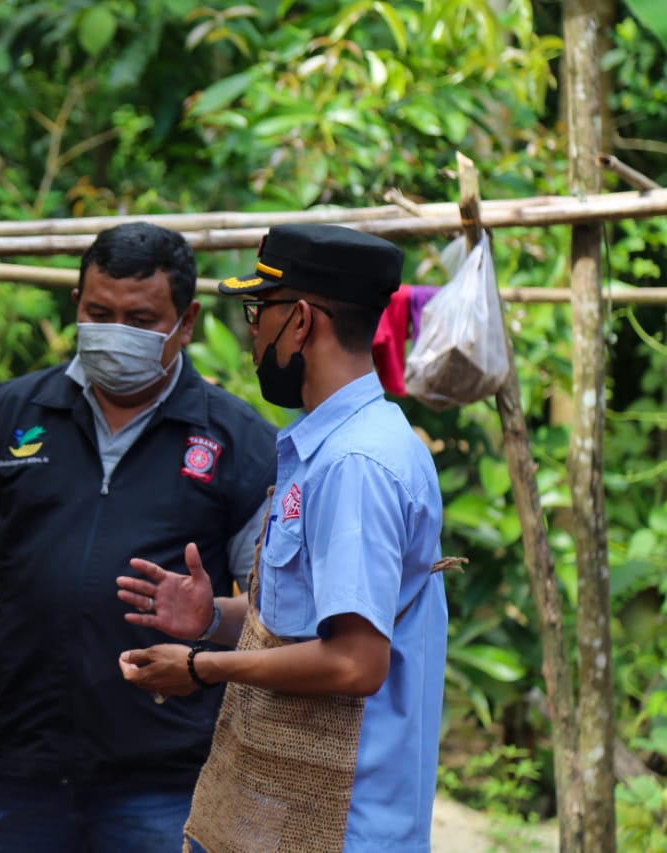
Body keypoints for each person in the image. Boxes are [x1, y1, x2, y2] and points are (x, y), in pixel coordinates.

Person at [0, 222, 277, 852]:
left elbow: (272, 612)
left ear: (187, 320)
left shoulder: (239, 442)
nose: (116, 331)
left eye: (140, 318)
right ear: (76, 306)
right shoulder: (11, 419)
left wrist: (206, 620)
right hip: (16, 762)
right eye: (100, 313)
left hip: (166, 773)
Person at [117, 224, 447, 852]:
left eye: (257, 312)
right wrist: (213, 616)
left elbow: (354, 660)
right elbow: (324, 616)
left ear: (298, 321)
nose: (252, 334)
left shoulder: (357, 463)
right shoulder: (334, 447)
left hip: (347, 827)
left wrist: (201, 668)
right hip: (301, 818)